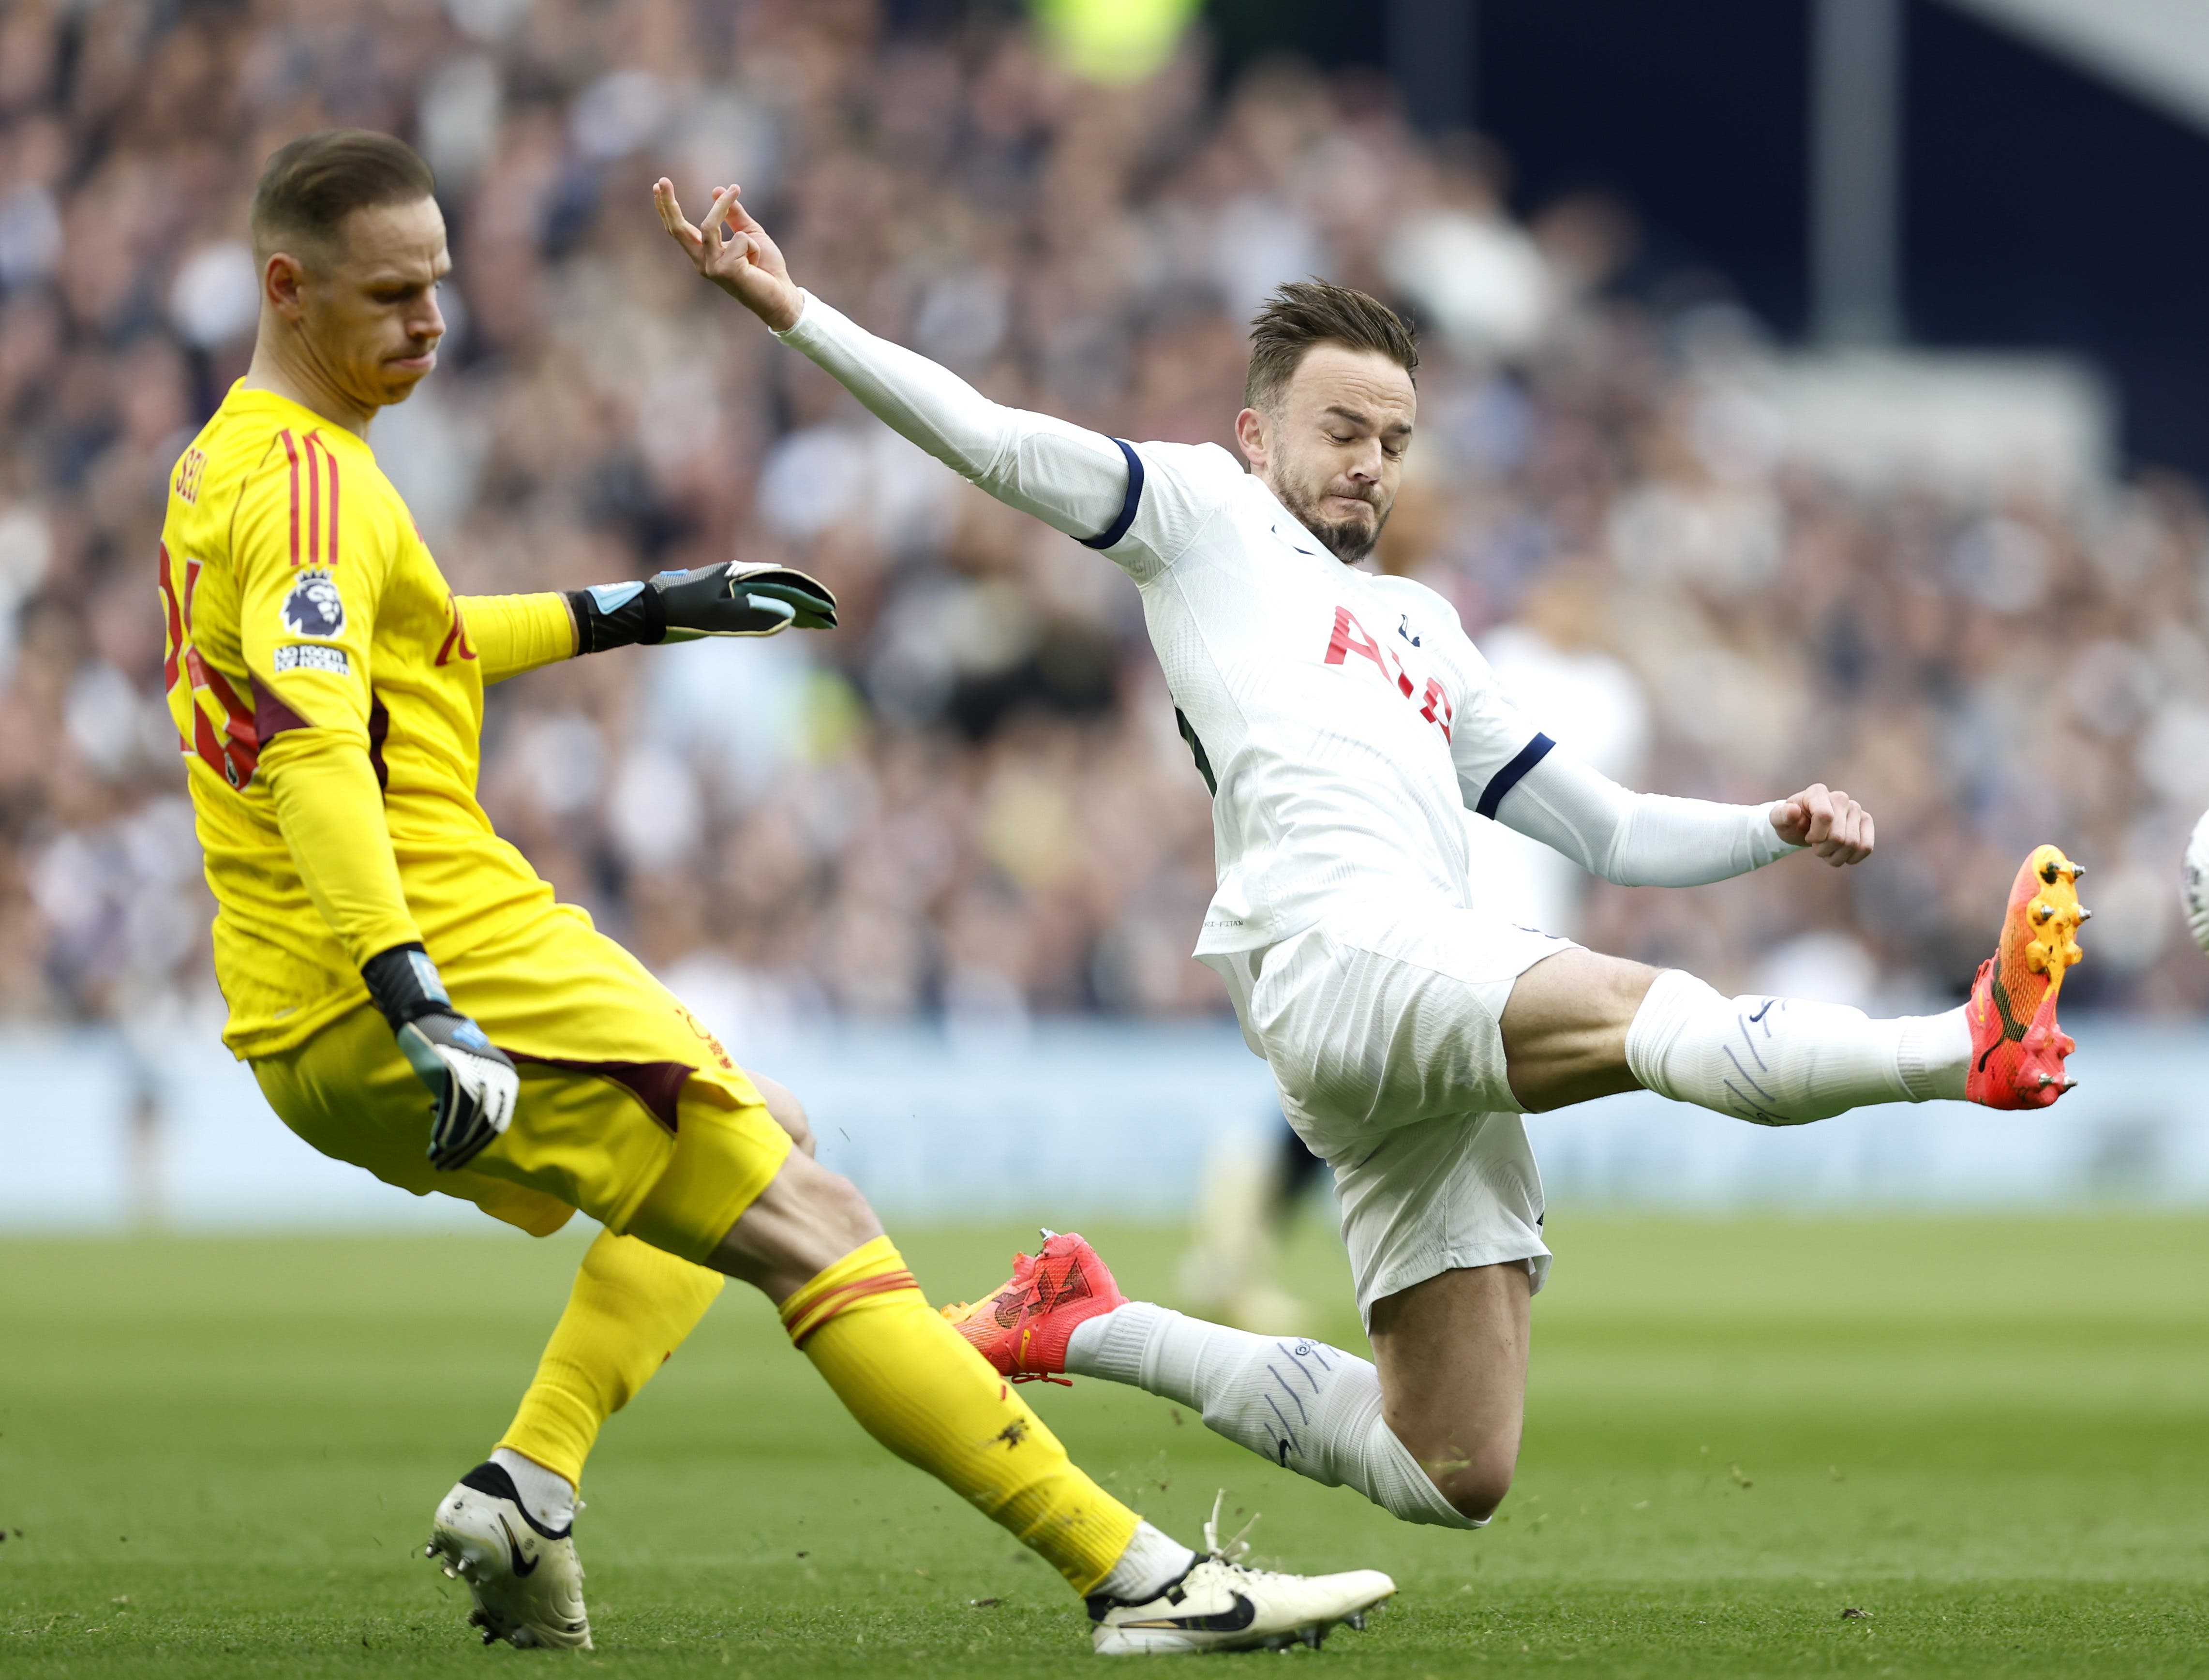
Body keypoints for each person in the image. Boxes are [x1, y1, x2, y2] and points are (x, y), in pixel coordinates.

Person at [655, 176, 2086, 1535]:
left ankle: (1085, 1321)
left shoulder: (1420, 626)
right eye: (1343, 429)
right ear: (1257, 430)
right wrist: (795, 311)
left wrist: (1764, 829)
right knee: (1639, 1011)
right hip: (1331, 954)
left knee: (1449, 1460)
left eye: (1394, 442)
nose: (1370, 464)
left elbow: (1604, 827)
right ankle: (1959, 1043)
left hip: (1413, 973)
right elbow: (993, 435)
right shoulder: (1200, 516)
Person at [155, 128, 1395, 1658]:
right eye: (393, 295)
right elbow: (316, 756)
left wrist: (650, 607)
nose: (431, 322)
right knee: (817, 1219)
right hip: (439, 960)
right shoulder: (309, 494)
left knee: (771, 1132)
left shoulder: (234, 463)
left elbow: (423, 641)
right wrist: (419, 995)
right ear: (286, 286)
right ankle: (1135, 1576)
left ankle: (530, 1485)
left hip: (298, 1008)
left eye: (441, 286)